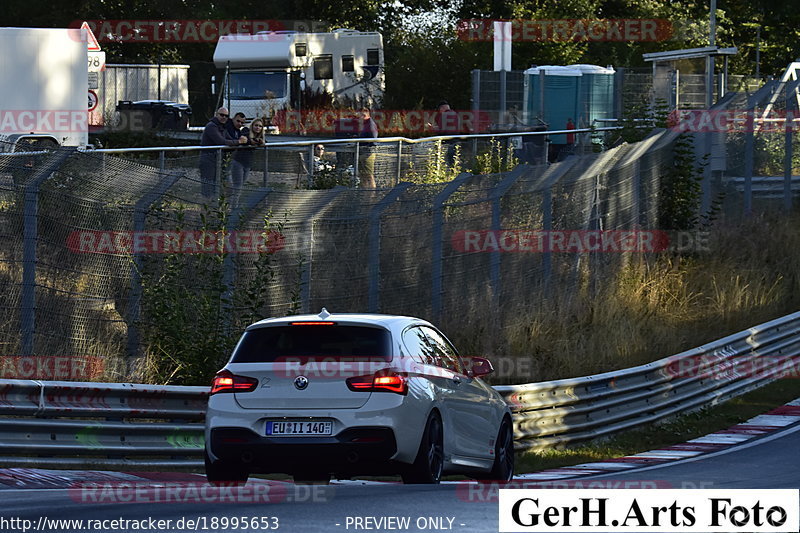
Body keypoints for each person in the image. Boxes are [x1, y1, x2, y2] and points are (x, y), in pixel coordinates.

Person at [200, 107, 246, 199]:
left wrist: (243, 140)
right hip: (208, 161)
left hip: (218, 161)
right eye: (222, 115)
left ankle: (217, 208)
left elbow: (230, 140)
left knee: (220, 187)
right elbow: (221, 141)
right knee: (208, 188)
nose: (224, 117)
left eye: (226, 116)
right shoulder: (211, 126)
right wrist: (239, 142)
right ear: (216, 114)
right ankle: (206, 209)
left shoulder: (222, 127)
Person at [230, 118, 265, 207]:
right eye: (256, 125)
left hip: (247, 164)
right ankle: (232, 208)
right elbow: (243, 139)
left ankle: (232, 205)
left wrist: (260, 142)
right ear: (252, 125)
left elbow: (264, 142)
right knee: (237, 187)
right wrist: (251, 141)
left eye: (260, 126)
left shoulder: (259, 137)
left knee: (241, 186)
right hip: (238, 162)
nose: (258, 127)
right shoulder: (246, 131)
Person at [357, 108, 378, 188]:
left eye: (361, 116)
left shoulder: (371, 125)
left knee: (369, 175)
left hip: (368, 154)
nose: (359, 118)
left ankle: (372, 194)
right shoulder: (365, 124)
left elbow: (374, 140)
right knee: (362, 176)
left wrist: (369, 151)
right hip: (362, 153)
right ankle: (364, 194)